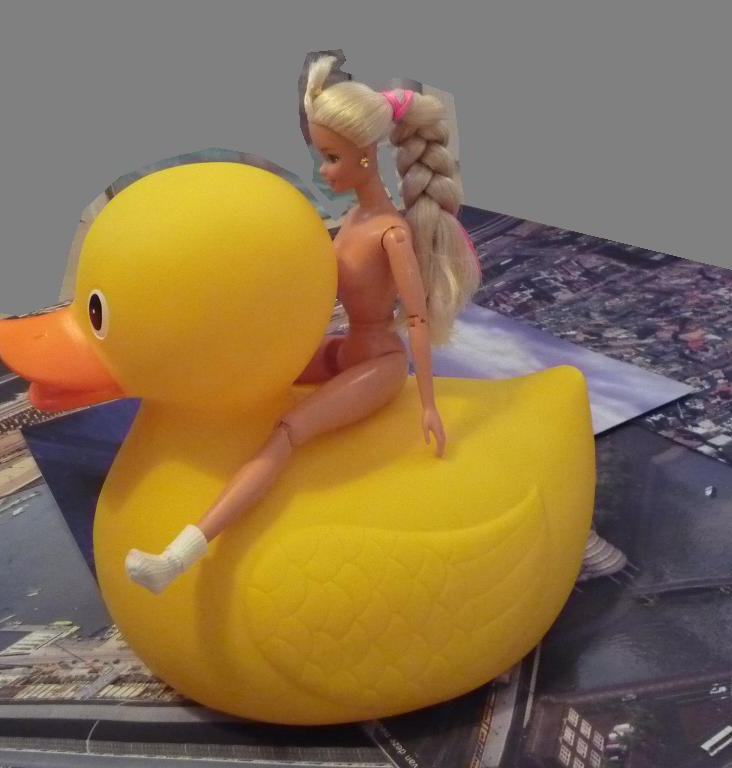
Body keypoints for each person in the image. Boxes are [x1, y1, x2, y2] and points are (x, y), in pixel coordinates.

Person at [125, 53, 482, 594]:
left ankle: (176, 559)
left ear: (366, 156)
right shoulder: (355, 218)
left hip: (379, 364)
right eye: (321, 156)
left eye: (332, 158)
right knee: (261, 367)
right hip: (345, 347)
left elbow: (414, 319)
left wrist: (428, 403)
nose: (324, 171)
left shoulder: (391, 233)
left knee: (286, 433)